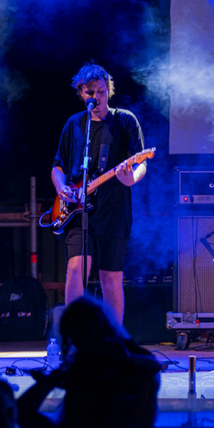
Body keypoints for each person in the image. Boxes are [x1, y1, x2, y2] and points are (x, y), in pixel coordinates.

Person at [51, 62, 147, 323]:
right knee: (75, 269)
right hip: (77, 211)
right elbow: (58, 166)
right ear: (81, 93)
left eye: (101, 92)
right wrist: (61, 188)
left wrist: (130, 178)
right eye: (90, 92)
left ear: (109, 90)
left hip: (113, 210)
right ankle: (73, 335)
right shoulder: (74, 124)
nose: (97, 97)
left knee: (110, 277)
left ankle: (113, 337)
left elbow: (140, 162)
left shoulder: (125, 121)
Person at [16, 296, 161, 428]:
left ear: (98, 328)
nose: (80, 343)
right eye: (74, 337)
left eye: (84, 334)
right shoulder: (82, 361)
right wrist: (47, 383)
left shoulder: (128, 360)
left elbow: (152, 368)